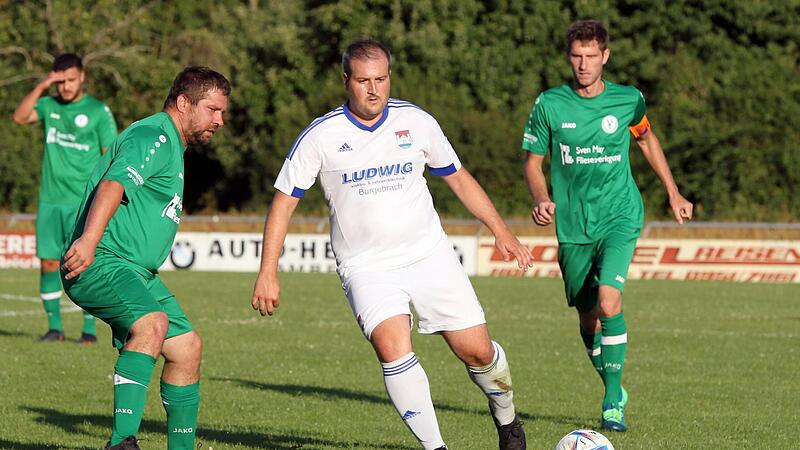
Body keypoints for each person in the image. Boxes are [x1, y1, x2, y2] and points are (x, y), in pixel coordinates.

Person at [251, 38, 533, 450]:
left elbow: (457, 177)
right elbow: (282, 205)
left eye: (381, 79)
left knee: (476, 351)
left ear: (390, 78)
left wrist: (501, 230)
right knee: (392, 347)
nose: (373, 89)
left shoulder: (417, 122)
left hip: (429, 254)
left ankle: (507, 419)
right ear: (345, 80)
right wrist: (267, 272)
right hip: (366, 267)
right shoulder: (321, 136)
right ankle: (436, 448)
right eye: (363, 80)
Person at [522, 20, 693, 433]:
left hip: (620, 215)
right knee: (587, 320)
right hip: (574, 226)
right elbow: (533, 162)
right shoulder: (550, 104)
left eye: (591, 56)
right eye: (576, 57)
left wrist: (672, 191)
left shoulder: (628, 100)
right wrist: (542, 199)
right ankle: (613, 382)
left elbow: (647, 139)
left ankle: (612, 399)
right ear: (569, 58)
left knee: (609, 300)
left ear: (605, 57)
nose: (583, 64)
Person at [59, 66, 230, 450]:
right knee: (152, 324)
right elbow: (113, 184)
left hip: (138, 271)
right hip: (102, 259)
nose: (220, 120)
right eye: (212, 109)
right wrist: (88, 241)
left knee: (187, 348)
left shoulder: (173, 143)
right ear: (183, 102)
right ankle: (122, 443)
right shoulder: (154, 135)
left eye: (222, 112)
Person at [13, 53, 117, 344]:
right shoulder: (48, 105)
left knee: (81, 263)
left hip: (82, 202)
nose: (66, 87)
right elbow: (20, 117)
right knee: (48, 263)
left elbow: (110, 155)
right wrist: (42, 85)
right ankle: (55, 328)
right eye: (60, 81)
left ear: (82, 77)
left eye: (71, 80)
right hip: (50, 201)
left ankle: (89, 330)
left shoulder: (98, 111)